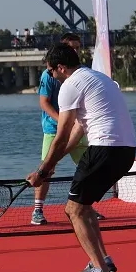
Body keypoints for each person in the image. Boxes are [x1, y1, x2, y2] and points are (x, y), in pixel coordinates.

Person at [27, 44, 136, 272]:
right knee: (84, 207)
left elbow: (61, 134)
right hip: (126, 151)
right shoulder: (97, 78)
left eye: (51, 70)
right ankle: (101, 260)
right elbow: (77, 132)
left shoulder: (69, 86)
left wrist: (42, 172)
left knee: (73, 210)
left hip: (104, 149)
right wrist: (50, 165)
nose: (50, 75)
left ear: (61, 68)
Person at [31, 32, 90, 225]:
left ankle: (84, 207)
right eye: (71, 47)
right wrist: (64, 121)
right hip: (52, 129)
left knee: (88, 167)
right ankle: (37, 211)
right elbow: (44, 103)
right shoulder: (49, 74)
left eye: (78, 47)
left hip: (77, 128)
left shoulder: (80, 73)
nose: (75, 50)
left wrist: (76, 123)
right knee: (46, 169)